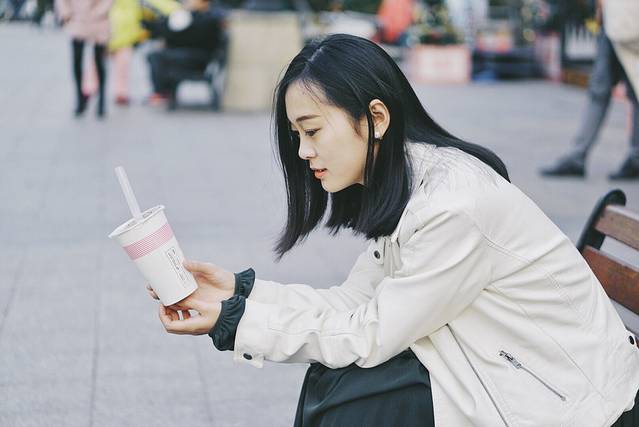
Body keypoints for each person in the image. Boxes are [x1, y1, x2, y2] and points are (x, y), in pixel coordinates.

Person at [145, 34, 639, 426]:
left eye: (312, 130)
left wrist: (235, 322)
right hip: (496, 369)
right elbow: (354, 303)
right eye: (296, 135)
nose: (302, 151)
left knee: (351, 399)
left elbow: (371, 333)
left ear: (375, 117)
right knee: (342, 387)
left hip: (573, 404)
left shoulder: (451, 206)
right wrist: (240, 294)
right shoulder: (411, 181)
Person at [540, 0, 639, 180]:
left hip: (625, 21)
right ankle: (579, 155)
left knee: (610, 91)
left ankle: (580, 156)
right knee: (605, 89)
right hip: (617, 20)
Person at [142, 0, 225, 107]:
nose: (188, 2)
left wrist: (185, 19)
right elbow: (166, 31)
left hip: (198, 58)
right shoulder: (187, 16)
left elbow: (192, 37)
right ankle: (162, 92)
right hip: (184, 55)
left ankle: (161, 93)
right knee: (155, 55)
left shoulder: (210, 18)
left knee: (159, 57)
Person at [55, 0, 113, 118]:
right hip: (77, 19)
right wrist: (66, 13)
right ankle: (79, 99)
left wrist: (99, 12)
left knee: (100, 62)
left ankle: (101, 100)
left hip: (99, 21)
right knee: (77, 61)